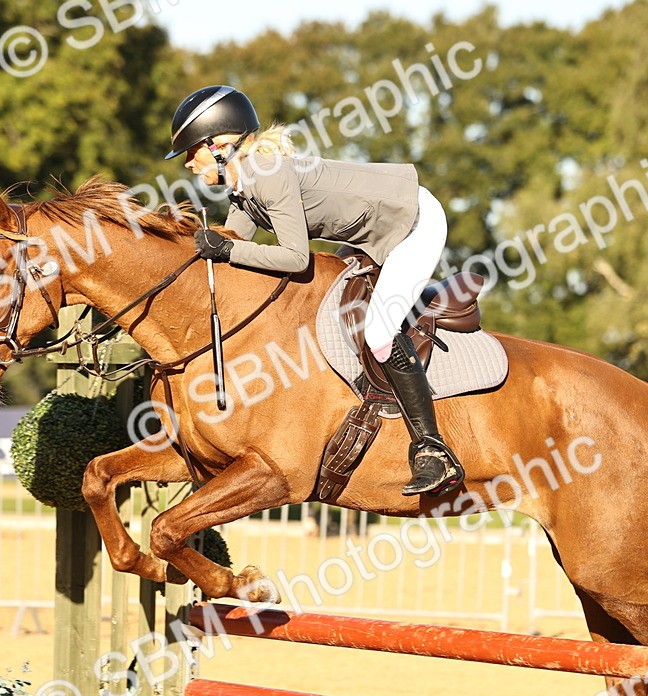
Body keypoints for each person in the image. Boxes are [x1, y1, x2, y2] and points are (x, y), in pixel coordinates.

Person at [165, 85, 464, 496]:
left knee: (378, 332)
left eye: (191, 151)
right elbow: (232, 243)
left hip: (412, 222)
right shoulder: (244, 186)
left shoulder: (267, 174)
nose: (187, 164)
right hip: (369, 235)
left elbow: (294, 258)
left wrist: (229, 248)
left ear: (220, 143)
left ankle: (434, 452)